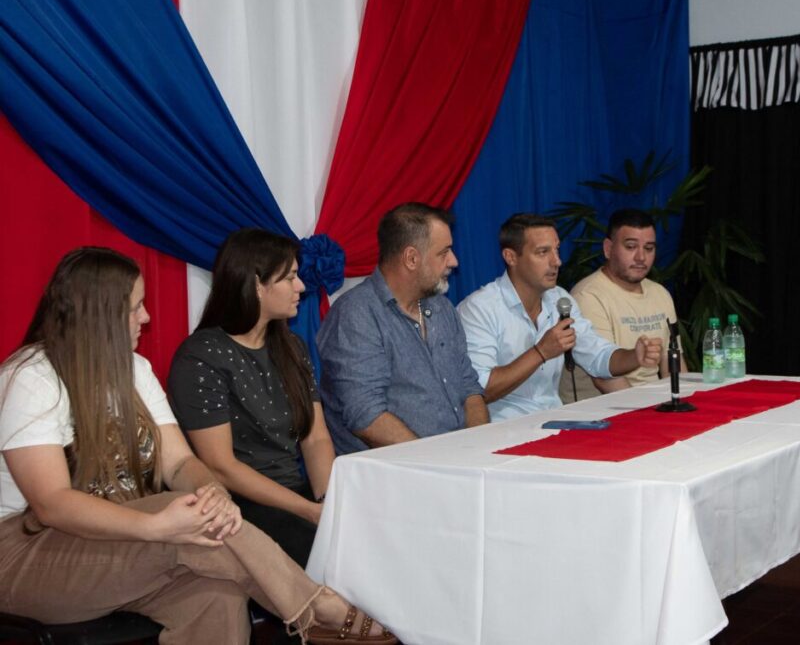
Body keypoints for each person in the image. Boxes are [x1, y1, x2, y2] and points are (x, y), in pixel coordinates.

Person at [0, 247, 395, 644]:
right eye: (136, 307)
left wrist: (214, 495)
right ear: (98, 314)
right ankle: (320, 607)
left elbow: (179, 465)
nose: (147, 318)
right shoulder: (31, 378)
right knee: (170, 511)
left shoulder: (135, 369)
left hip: (117, 543)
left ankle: (317, 607)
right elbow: (52, 503)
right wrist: (154, 526)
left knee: (217, 593)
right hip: (27, 553)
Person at [167, 229, 333, 565]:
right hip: (239, 506)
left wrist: (330, 502)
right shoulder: (201, 356)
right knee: (329, 560)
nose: (300, 287)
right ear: (257, 285)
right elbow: (221, 467)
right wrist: (310, 511)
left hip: (296, 496)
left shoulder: (292, 347)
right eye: (289, 277)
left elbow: (315, 438)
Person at [457, 213, 662, 422]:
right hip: (502, 430)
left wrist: (634, 356)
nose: (557, 261)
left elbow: (598, 357)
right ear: (511, 257)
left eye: (556, 250)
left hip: (554, 420)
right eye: (543, 252)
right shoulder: (480, 309)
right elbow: (479, 392)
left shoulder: (560, 300)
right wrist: (541, 352)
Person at [317, 203, 487, 453]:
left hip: (455, 462)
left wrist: (477, 449)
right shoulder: (356, 315)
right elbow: (367, 417)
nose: (454, 261)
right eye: (444, 252)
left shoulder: (442, 308)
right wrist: (438, 463)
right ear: (411, 258)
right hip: (393, 474)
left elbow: (469, 389)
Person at [569, 208, 679, 393]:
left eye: (649, 248)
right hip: (605, 411)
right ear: (608, 249)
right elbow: (605, 378)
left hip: (655, 403)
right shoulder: (587, 296)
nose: (641, 257)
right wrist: (647, 416)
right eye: (630, 247)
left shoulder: (660, 293)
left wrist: (683, 402)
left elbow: (674, 362)